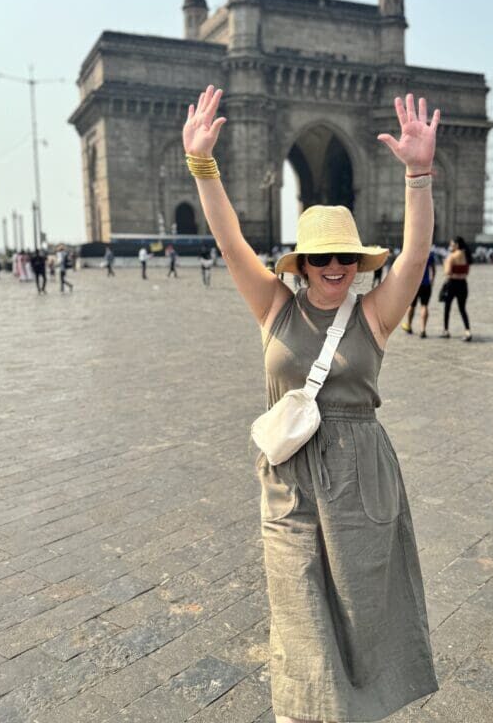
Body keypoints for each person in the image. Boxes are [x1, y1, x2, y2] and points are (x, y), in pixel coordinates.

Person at [183, 85, 439, 723]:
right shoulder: (272, 305)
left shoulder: (376, 314)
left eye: (345, 258)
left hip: (362, 482)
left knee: (364, 621)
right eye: (321, 256)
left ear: (357, 263)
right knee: (298, 614)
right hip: (291, 482)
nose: (334, 267)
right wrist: (202, 167)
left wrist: (419, 174)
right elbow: (231, 241)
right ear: (300, 262)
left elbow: (413, 257)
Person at [441, 236, 472, 340]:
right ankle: (468, 331)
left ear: (456, 245)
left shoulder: (452, 257)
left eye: (451, 244)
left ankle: (446, 330)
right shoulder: (466, 256)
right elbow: (467, 272)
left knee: (447, 308)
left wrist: (445, 263)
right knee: (462, 309)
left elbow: (447, 272)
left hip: (452, 284)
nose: (450, 246)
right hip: (463, 283)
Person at [401, 248, 436, 337]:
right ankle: (423, 329)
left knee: (412, 306)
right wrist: (432, 281)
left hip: (414, 284)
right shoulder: (429, 254)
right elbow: (433, 270)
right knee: (424, 306)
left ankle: (409, 325)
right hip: (426, 284)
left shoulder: (413, 253)